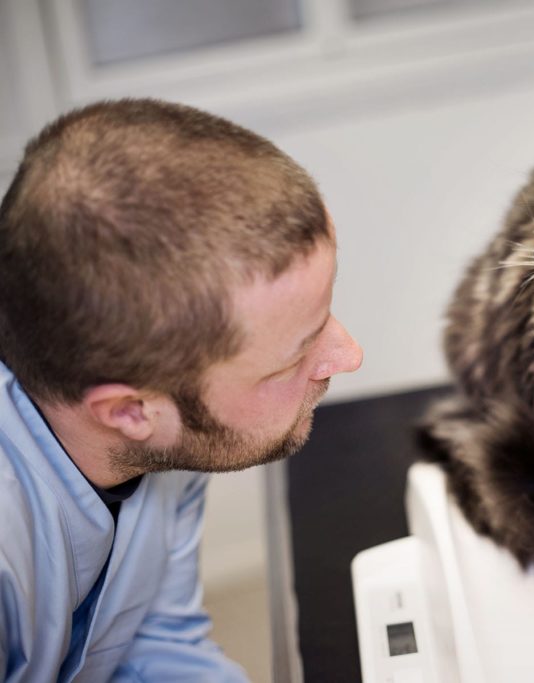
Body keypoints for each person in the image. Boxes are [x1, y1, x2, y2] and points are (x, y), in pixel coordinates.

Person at [0, 99, 363, 681]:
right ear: (130, 410)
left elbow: (150, 644)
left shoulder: (167, 438)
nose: (349, 356)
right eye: (297, 351)